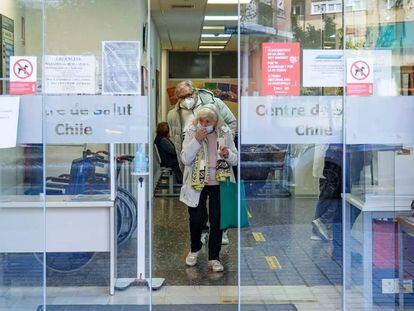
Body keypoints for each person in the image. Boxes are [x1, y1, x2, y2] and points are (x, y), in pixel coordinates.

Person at [168, 80, 237, 245]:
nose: (185, 100)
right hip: (194, 161)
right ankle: (202, 232)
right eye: (181, 97)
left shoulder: (214, 103)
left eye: (188, 95)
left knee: (218, 206)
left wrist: (225, 144)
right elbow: (177, 141)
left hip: (216, 161)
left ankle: (221, 233)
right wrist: (183, 161)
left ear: (195, 92)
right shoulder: (174, 114)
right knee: (197, 205)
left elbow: (231, 123)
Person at [180, 104, 237, 272]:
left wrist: (227, 155)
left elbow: (235, 159)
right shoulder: (191, 132)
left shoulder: (224, 132)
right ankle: (195, 249)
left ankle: (214, 257)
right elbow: (185, 159)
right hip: (197, 182)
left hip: (219, 182)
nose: (204, 124)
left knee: (217, 220)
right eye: (201, 120)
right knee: (196, 218)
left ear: (216, 121)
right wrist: (196, 140)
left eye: (208, 121)